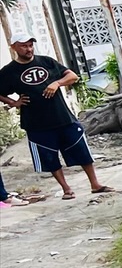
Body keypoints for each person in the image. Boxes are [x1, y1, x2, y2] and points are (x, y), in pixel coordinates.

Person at [0, 38, 112, 200]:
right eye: (24, 46)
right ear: (14, 47)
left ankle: (95, 184)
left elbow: (73, 76)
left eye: (30, 45)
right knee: (49, 158)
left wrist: (57, 83)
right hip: (36, 122)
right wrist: (13, 102)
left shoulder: (46, 62)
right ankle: (66, 189)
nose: (29, 49)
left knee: (81, 151)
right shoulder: (9, 71)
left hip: (62, 117)